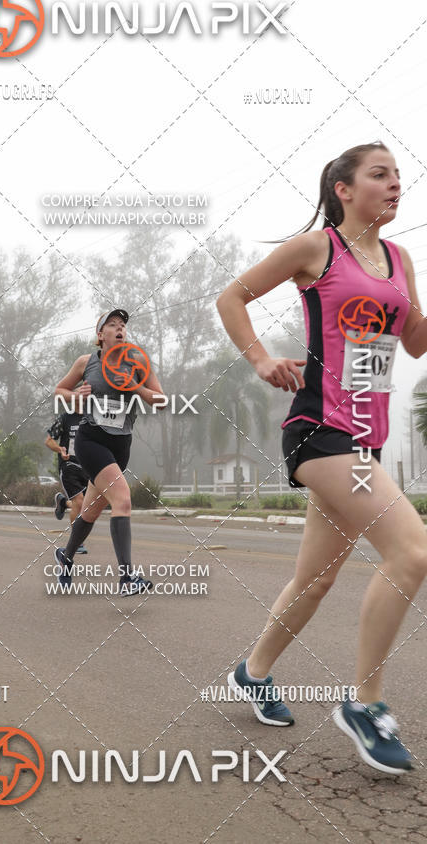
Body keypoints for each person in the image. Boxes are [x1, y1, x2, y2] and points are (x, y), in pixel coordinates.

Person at [216, 141, 427, 775]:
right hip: (319, 430)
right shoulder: (318, 248)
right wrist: (260, 359)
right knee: (413, 551)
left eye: (399, 176)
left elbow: (414, 342)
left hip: (362, 439)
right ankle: (365, 704)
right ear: (344, 188)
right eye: (380, 175)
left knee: (316, 578)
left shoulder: (398, 259)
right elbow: (232, 297)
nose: (396, 184)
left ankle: (252, 673)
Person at [53, 309, 166, 595]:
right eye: (112, 324)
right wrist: (75, 395)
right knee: (123, 500)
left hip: (121, 446)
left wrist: (137, 387)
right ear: (100, 334)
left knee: (90, 512)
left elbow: (161, 400)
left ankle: (65, 557)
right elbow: (59, 391)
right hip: (91, 442)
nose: (119, 329)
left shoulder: (137, 361)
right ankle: (127, 578)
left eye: (123, 325)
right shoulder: (86, 362)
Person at [45, 411, 89, 552]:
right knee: (80, 501)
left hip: (88, 466)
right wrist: (60, 449)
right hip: (69, 464)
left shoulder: (93, 416)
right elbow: (49, 440)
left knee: (86, 504)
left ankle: (63, 502)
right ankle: (77, 543)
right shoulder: (65, 418)